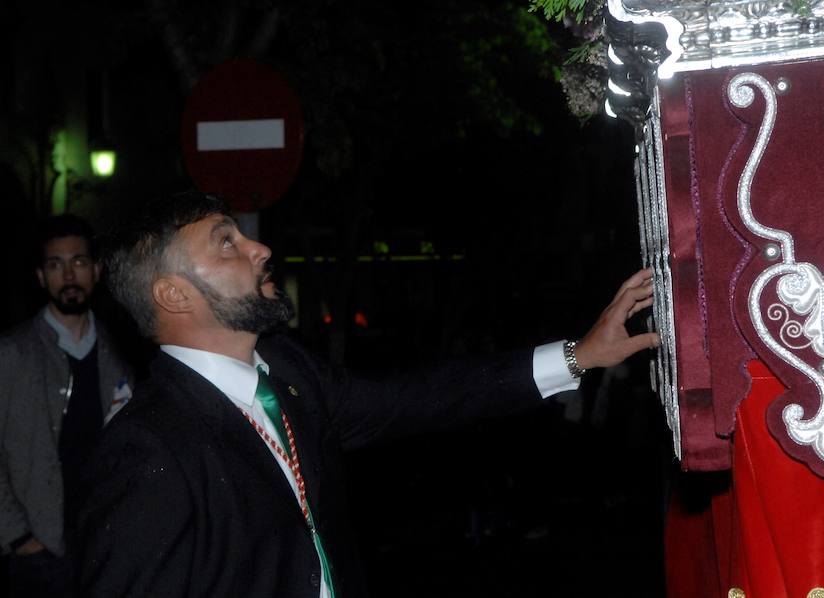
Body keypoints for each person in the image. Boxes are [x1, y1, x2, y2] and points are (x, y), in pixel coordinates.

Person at [77, 191, 658, 598]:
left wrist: (580, 355)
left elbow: (422, 398)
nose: (259, 250)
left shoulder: (286, 371)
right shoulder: (148, 449)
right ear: (174, 295)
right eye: (226, 243)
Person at [0, 214, 133, 598]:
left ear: (97, 270)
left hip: (104, 546)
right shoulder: (13, 353)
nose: (69, 275)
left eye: (78, 262)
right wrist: (19, 536)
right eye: (55, 265)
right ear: (41, 277)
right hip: (37, 551)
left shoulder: (122, 353)